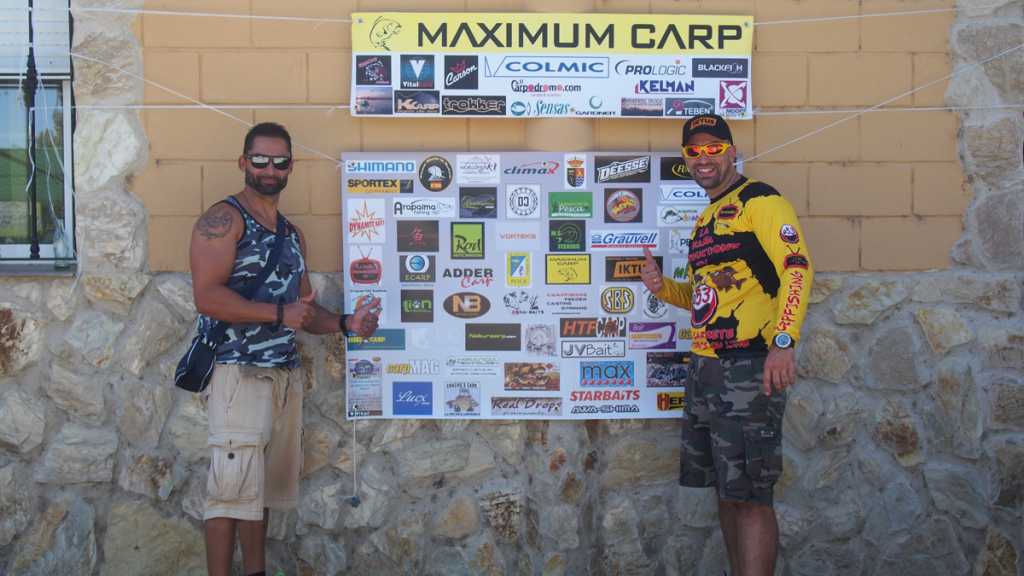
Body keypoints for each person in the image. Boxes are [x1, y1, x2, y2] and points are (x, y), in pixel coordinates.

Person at [189, 122, 380, 576]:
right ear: (243, 162)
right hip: (238, 374)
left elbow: (304, 312)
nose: (269, 169)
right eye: (260, 159)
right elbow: (207, 297)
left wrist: (346, 324)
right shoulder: (223, 220)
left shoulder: (292, 235)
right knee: (229, 492)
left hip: (282, 377)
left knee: (259, 495)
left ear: (291, 166)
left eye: (280, 161)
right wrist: (279, 314)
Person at [641, 114, 813, 576]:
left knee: (751, 496)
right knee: (726, 489)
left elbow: (797, 269)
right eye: (694, 151)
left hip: (749, 366)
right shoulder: (706, 218)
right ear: (686, 158)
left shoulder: (761, 200)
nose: (704, 157)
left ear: (732, 152)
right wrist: (663, 289)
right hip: (706, 368)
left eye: (714, 148)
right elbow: (705, 299)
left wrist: (783, 341)